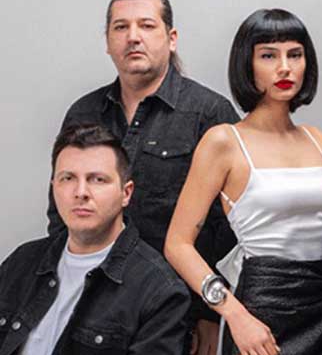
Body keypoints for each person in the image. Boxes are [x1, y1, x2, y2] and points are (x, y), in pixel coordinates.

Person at [165, 8, 322, 355]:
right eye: (268, 56)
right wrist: (234, 314)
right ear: (247, 64)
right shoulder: (224, 141)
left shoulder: (316, 138)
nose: (285, 67)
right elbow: (177, 244)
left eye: (295, 54)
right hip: (261, 307)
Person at [45, 0, 240, 352]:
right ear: (107, 41)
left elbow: (230, 229)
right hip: (90, 308)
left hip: (179, 313)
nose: (133, 37)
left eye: (147, 26)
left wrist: (209, 313)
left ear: (171, 38)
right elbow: (60, 214)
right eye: (121, 27)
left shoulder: (210, 113)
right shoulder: (83, 113)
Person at [0, 124, 190, 355]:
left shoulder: (160, 291)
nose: (81, 192)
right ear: (54, 188)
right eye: (68, 178)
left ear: (126, 193)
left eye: (98, 179)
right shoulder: (21, 262)